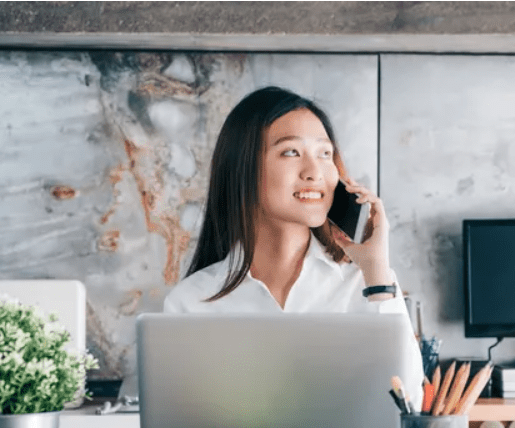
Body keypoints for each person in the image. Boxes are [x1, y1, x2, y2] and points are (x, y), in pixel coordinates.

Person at [164, 86, 423, 402]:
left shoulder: (367, 284)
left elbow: (409, 403)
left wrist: (377, 273)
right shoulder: (191, 302)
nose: (314, 173)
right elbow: (185, 424)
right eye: (291, 152)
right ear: (243, 168)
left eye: (324, 154)